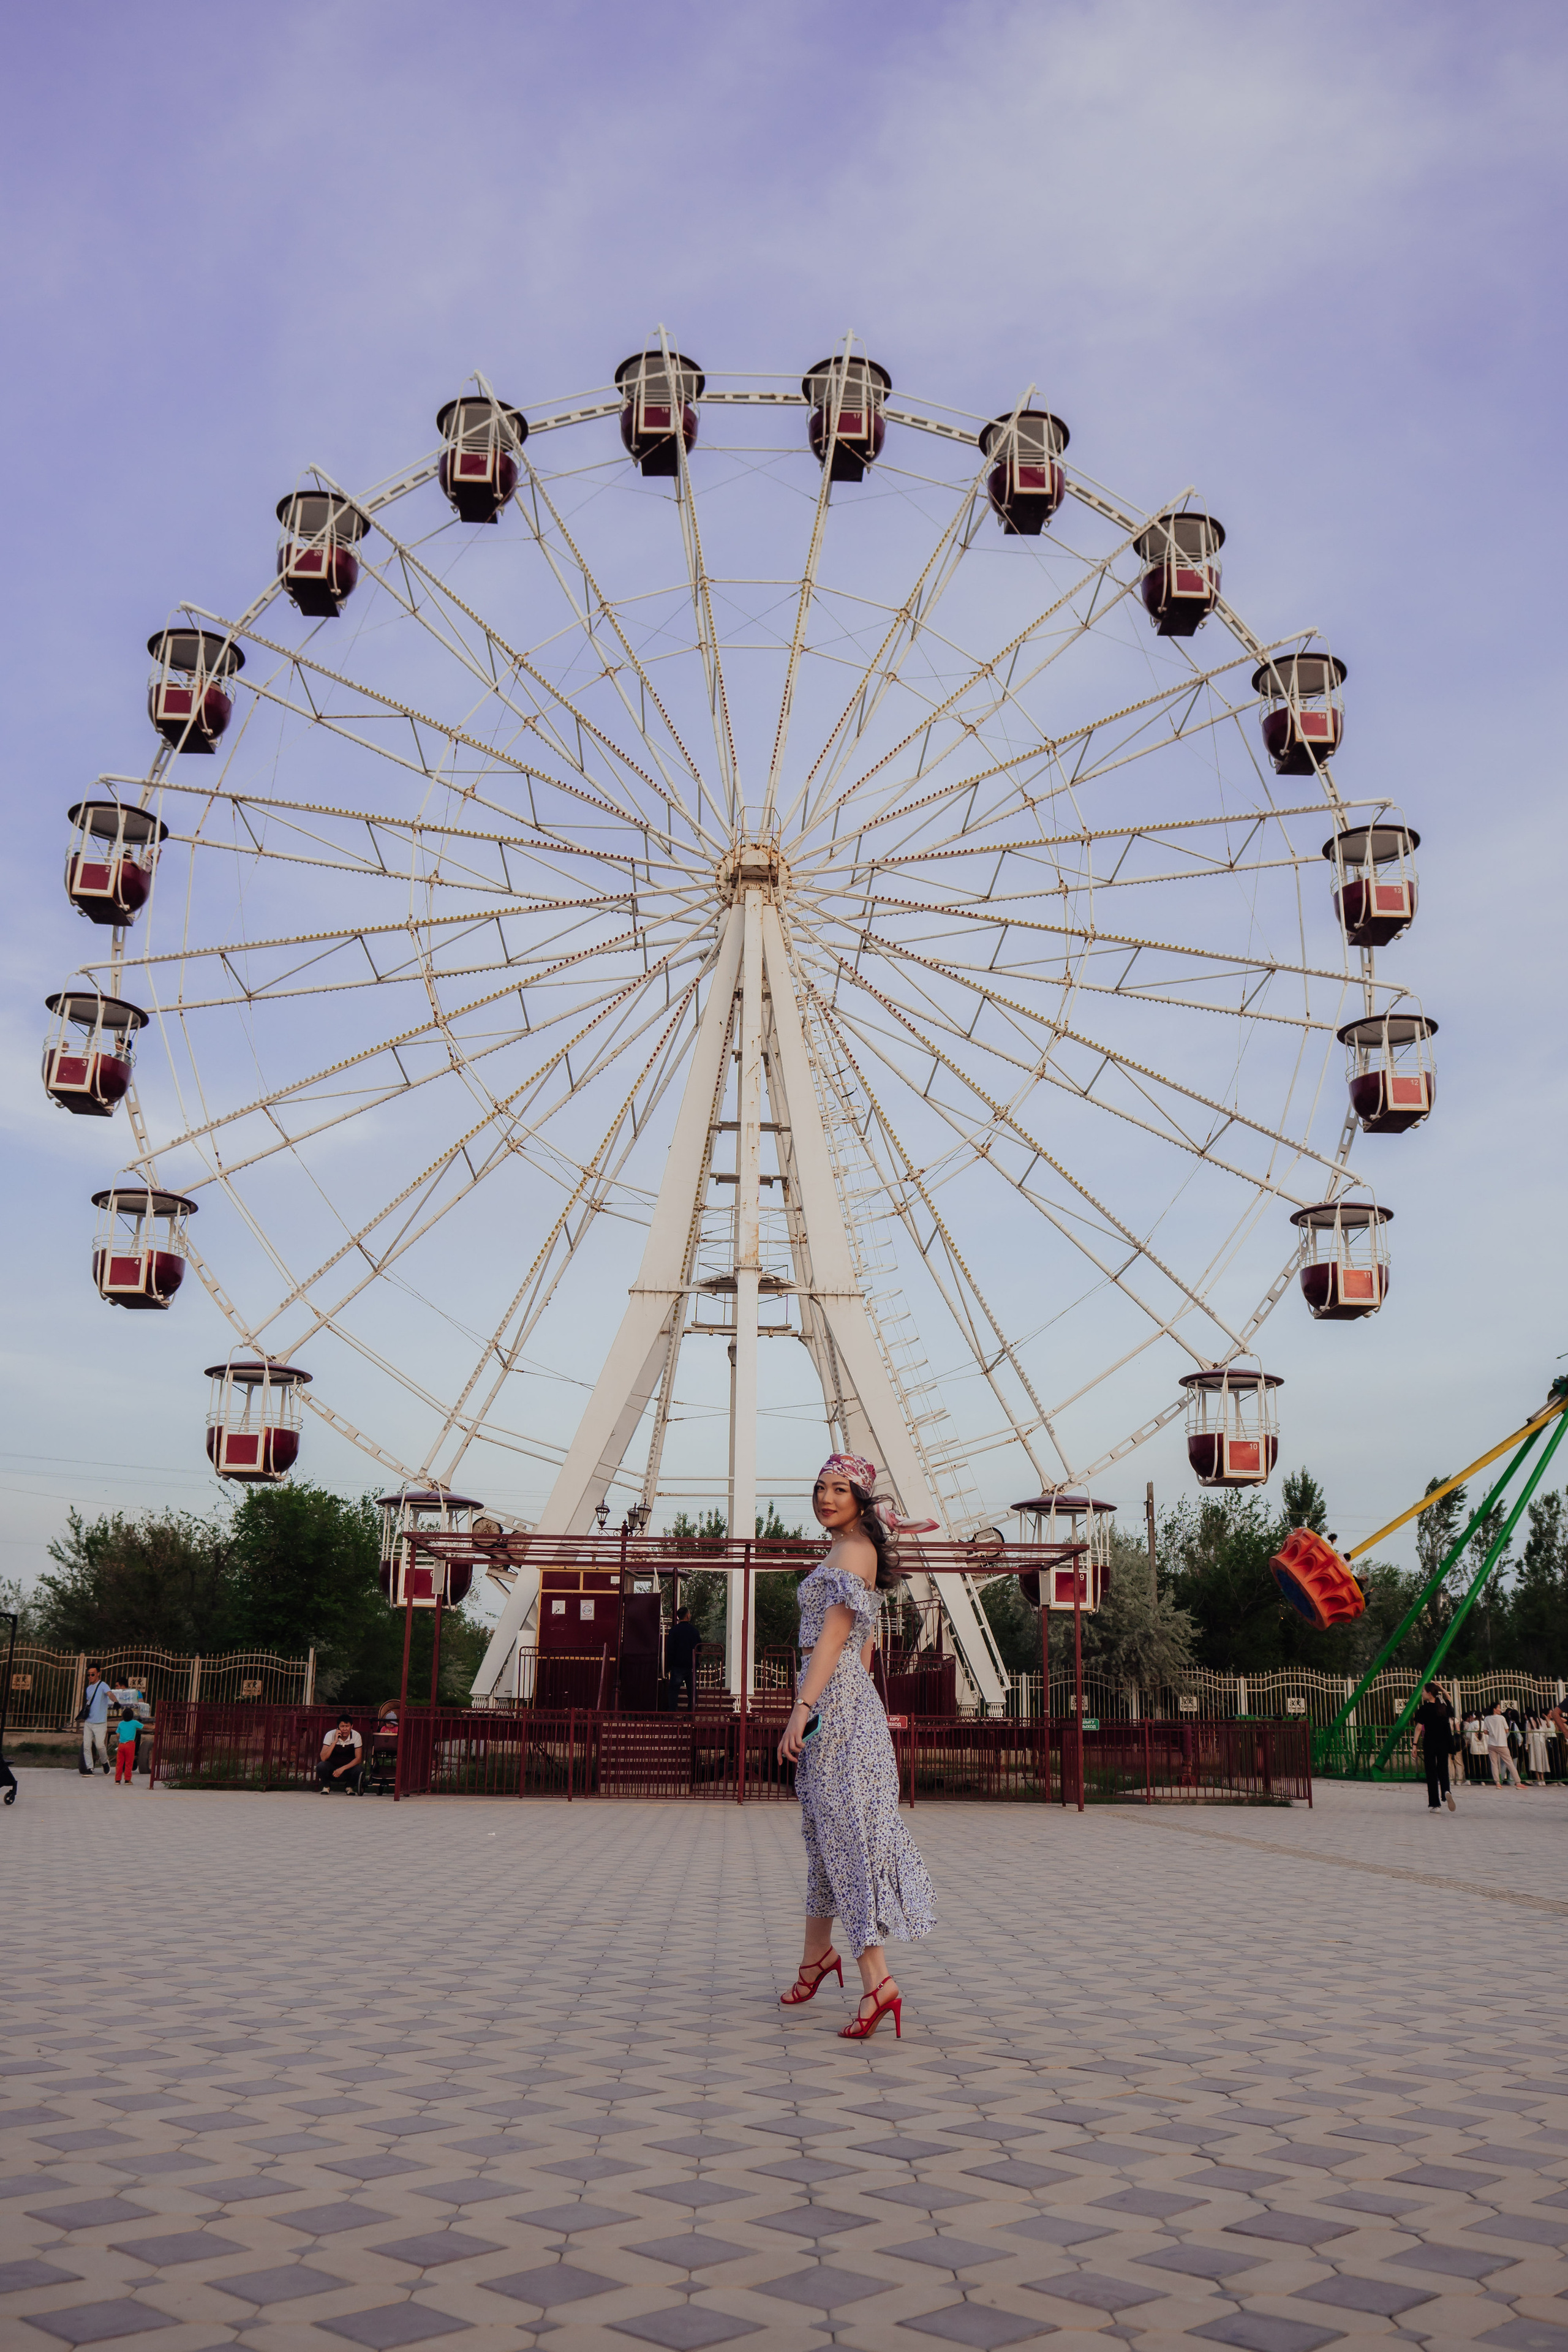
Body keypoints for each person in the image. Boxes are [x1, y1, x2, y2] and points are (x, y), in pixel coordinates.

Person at [777, 1453, 935, 2041]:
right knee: (825, 1839)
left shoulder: (852, 1552)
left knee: (848, 1844)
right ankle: (816, 1959)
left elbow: (837, 1636)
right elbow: (864, 1650)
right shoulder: (843, 1551)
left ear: (861, 1501)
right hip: (844, 1705)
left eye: (839, 1489)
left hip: (836, 1712)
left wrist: (805, 1709)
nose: (825, 1497)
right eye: (819, 1487)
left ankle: (878, 1982)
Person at [1412, 1681, 1457, 1812]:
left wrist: (1414, 1745)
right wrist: (1442, 1689)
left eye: (1424, 1692)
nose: (1422, 1694)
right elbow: (1449, 1699)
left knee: (1431, 1773)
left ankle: (1435, 1805)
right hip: (1444, 1743)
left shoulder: (1425, 1709)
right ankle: (1446, 1791)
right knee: (1443, 1769)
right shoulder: (1443, 1706)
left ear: (1429, 1693)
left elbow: (1419, 1728)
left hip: (1430, 1743)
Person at [78, 1664, 113, 1776]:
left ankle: (104, 1762)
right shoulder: (89, 1688)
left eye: (93, 1674)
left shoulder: (103, 1685)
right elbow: (89, 1702)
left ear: (98, 1674)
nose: (90, 1676)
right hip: (89, 1722)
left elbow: (110, 1694)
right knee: (86, 1746)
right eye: (89, 1675)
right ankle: (90, 1769)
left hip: (101, 1722)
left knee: (100, 1746)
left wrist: (116, 1702)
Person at [666, 1607, 701, 1713]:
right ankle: (691, 1713)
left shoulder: (674, 1631)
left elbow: (670, 1649)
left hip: (677, 1665)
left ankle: (672, 1712)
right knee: (692, 1691)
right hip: (691, 1665)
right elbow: (699, 1647)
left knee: (674, 1691)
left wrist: (669, 1665)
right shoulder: (694, 1631)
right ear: (688, 1616)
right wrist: (697, 1663)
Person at [1483, 1700, 1522, 1789]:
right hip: (1502, 1744)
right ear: (1495, 1709)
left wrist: (1492, 1734)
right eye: (1499, 1708)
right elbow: (1507, 1730)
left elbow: (1485, 1731)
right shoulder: (1501, 1718)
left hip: (1491, 1744)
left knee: (1494, 1764)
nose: (1500, 1710)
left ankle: (1498, 1783)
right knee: (1510, 1763)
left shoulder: (1487, 1718)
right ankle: (1518, 1782)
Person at [317, 1717, 363, 1792]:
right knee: (321, 1766)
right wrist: (335, 1741)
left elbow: (358, 1759)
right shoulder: (330, 1735)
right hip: (332, 1769)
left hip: (348, 1769)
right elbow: (323, 1758)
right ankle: (326, 1786)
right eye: (342, 1726)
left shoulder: (356, 1736)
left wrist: (342, 1769)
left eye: (347, 1726)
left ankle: (349, 1787)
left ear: (352, 1727)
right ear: (338, 1727)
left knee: (359, 1770)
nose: (345, 1729)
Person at [113, 1706, 141, 1785]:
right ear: (132, 1716)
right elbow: (143, 1726)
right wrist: (153, 1727)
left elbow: (118, 1735)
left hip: (121, 1745)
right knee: (129, 1763)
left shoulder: (121, 1724)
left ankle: (117, 1780)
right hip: (130, 1744)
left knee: (119, 1763)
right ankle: (127, 1780)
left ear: (123, 1716)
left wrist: (120, 1741)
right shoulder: (134, 1723)